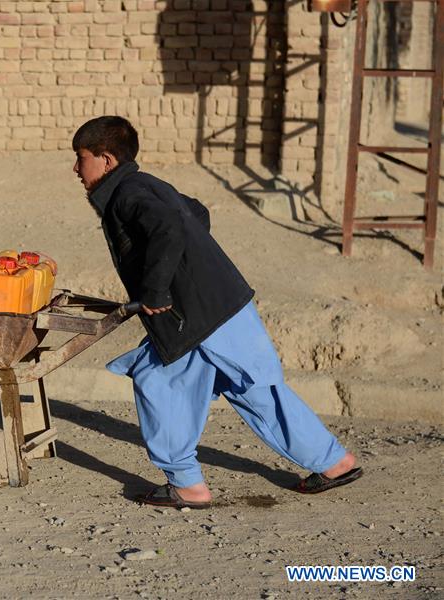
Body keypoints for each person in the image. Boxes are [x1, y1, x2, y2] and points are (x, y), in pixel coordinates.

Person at [72, 116, 362, 509]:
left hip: (195, 316)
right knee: (254, 389)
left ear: (106, 160)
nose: (76, 168)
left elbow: (172, 227)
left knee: (159, 383)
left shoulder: (127, 194)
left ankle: (188, 485)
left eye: (81, 157)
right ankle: (334, 462)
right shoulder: (147, 184)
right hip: (222, 304)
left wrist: (159, 287)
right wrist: (194, 270)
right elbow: (195, 212)